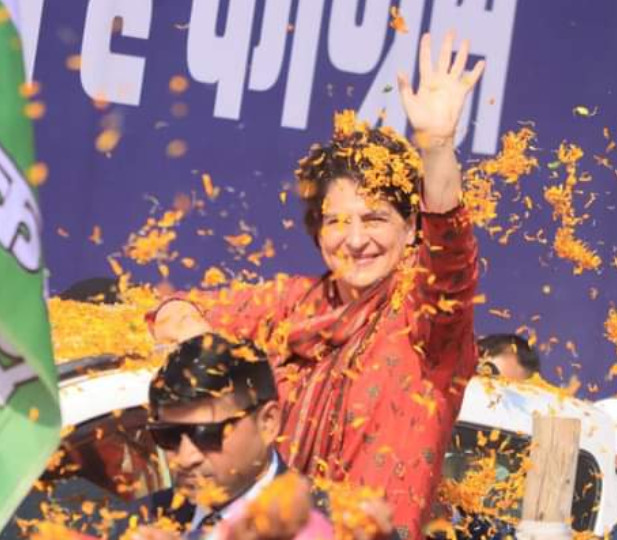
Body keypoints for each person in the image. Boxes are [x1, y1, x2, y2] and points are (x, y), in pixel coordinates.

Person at [150, 30, 483, 540]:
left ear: (412, 228)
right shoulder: (293, 302)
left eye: (375, 218)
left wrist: (437, 148)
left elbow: (453, 259)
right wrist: (197, 338)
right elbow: (170, 309)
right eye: (336, 222)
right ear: (317, 230)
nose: (356, 240)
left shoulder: (426, 321)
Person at [127, 333, 335, 540]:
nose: (186, 458)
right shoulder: (132, 525)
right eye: (168, 435)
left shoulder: (336, 525)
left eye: (207, 434)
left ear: (267, 423)